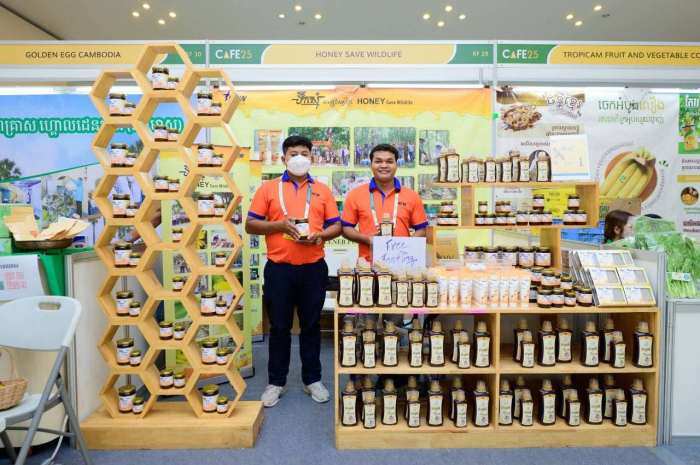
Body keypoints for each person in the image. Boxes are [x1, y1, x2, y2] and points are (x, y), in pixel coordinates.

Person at [245, 135, 342, 408]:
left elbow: (336, 226)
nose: (299, 158)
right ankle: (276, 382)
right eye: (293, 153)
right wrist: (279, 225)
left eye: (304, 153)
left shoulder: (322, 190)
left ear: (311, 157)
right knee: (280, 327)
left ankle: (312, 379)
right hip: (279, 269)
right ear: (283, 158)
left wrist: (320, 235)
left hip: (314, 268)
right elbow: (251, 225)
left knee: (312, 325)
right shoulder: (268, 189)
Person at [341, 143, 429, 263]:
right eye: (378, 161)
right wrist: (366, 239)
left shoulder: (412, 196)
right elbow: (346, 228)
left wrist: (404, 245)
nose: (384, 165)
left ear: (396, 165)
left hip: (403, 265)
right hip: (367, 267)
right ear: (371, 165)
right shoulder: (356, 194)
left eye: (389, 161)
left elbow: (422, 230)